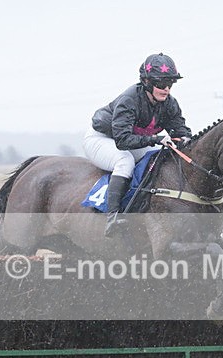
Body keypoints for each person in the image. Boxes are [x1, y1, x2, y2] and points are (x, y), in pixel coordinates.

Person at [83, 52, 193, 237]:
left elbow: (181, 131)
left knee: (158, 158)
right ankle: (113, 217)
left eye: (170, 84)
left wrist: (186, 139)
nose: (166, 89)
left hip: (129, 142)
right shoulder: (129, 100)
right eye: (161, 84)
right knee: (124, 161)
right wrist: (156, 139)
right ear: (147, 82)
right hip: (102, 139)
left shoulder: (169, 104)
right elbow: (123, 141)